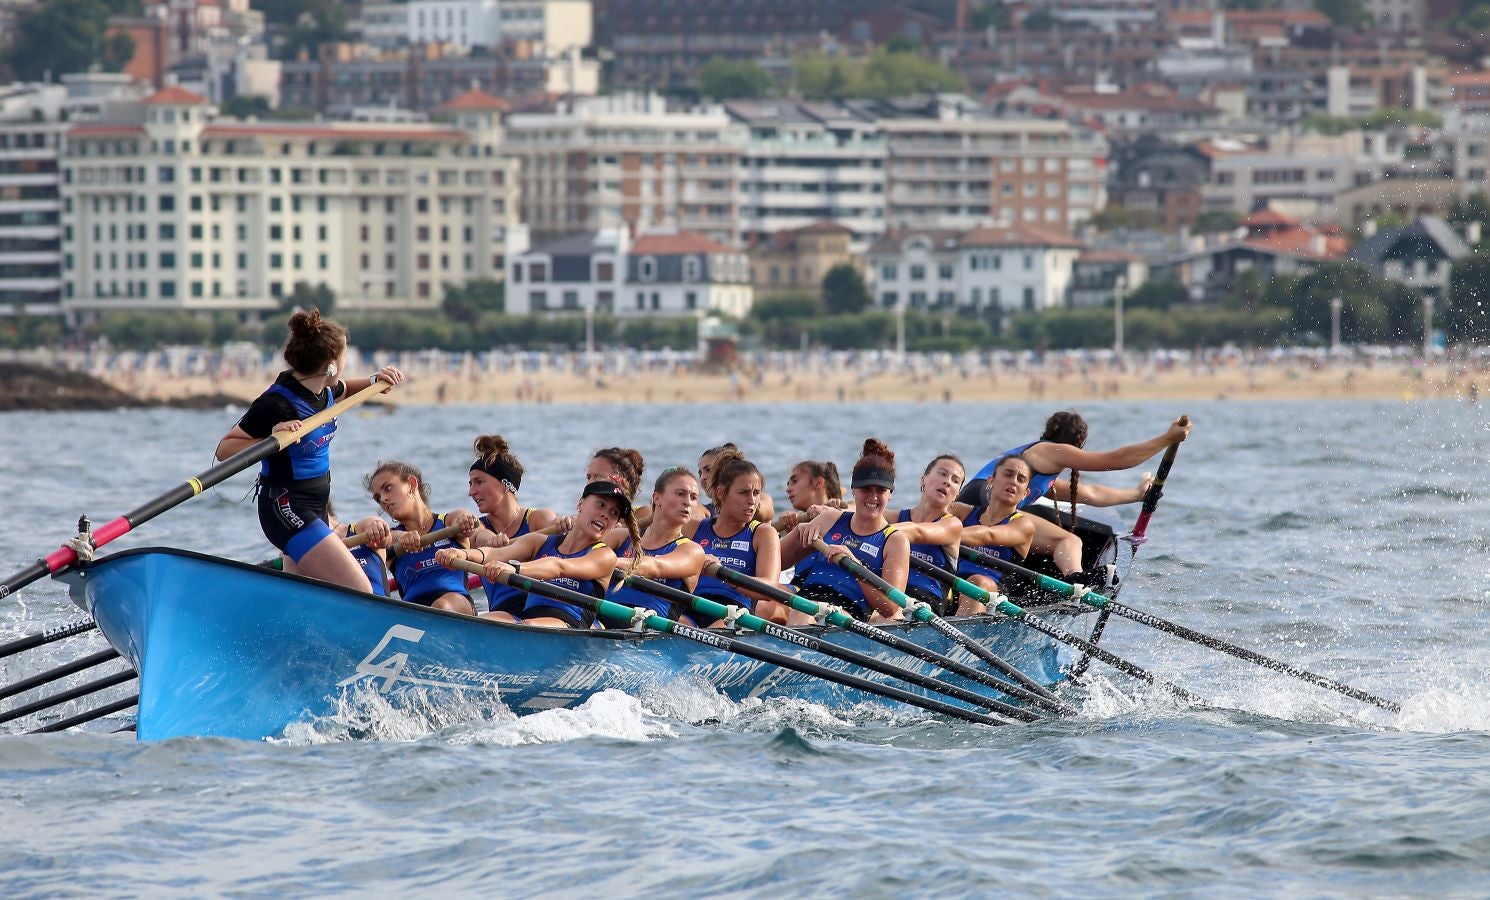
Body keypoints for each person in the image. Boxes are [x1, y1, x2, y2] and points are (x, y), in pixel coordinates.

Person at [215, 308, 403, 592]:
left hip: (316, 507)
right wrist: (270, 435)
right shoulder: (277, 403)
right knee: (360, 590)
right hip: (286, 508)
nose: (344, 365)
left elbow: (343, 389)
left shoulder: (322, 389)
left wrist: (374, 382)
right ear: (329, 364)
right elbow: (225, 449)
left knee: (305, 592)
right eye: (343, 358)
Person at [965, 411, 1191, 580]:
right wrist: (1167, 439)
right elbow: (1118, 460)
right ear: (1078, 445)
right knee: (1068, 540)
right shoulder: (1050, 450)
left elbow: (1089, 493)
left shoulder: (1040, 466)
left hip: (976, 515)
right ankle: (1075, 580)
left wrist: (1136, 494)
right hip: (978, 512)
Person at [437, 479, 631, 629]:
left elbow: (558, 566)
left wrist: (515, 568)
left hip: (569, 625)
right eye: (601, 505)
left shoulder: (605, 556)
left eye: (614, 513)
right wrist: (463, 555)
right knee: (482, 621)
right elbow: (495, 553)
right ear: (581, 504)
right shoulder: (539, 542)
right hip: (528, 617)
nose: (606, 514)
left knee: (527, 627)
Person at [782, 439, 910, 622]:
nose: (873, 497)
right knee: (765, 604)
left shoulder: (895, 541)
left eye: (880, 490)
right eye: (866, 489)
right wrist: (797, 532)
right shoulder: (831, 518)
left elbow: (890, 607)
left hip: (848, 612)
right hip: (806, 600)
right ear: (853, 490)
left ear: (890, 494)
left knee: (803, 615)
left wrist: (854, 564)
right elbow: (776, 561)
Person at [685, 448, 789, 626]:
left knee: (714, 630)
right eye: (743, 493)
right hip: (690, 607)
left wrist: (721, 572)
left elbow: (770, 588)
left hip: (733, 613)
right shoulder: (693, 528)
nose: (752, 501)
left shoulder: (763, 533)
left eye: (756, 493)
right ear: (721, 493)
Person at [462, 434, 558, 617]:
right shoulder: (477, 527)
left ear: (506, 484)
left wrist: (566, 525)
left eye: (479, 482)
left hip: (543, 608)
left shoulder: (539, 519)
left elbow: (563, 540)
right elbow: (480, 537)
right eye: (470, 484)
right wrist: (492, 541)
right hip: (503, 613)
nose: (471, 492)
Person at [365, 460, 479, 613]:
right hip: (414, 611)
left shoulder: (450, 521)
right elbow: (390, 538)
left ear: (412, 484)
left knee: (442, 606)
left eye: (388, 488)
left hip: (457, 604)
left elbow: (462, 519)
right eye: (378, 498)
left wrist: (466, 522)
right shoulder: (387, 536)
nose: (384, 499)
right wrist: (403, 537)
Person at [604, 467, 706, 624]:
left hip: (647, 627)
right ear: (657, 498)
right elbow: (581, 554)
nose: (687, 502)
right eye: (680, 494)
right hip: (602, 618)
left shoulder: (692, 551)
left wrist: (605, 562)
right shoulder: (620, 537)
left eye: (693, 497)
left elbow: (654, 566)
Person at [949, 454, 1036, 616]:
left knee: (978, 582)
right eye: (1008, 474)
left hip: (991, 595)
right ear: (991, 481)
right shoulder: (960, 511)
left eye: (1021, 479)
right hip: (950, 584)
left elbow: (987, 535)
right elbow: (925, 520)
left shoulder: (1023, 525)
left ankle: (956, 639)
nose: (1014, 481)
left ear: (1026, 492)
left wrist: (943, 535)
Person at [884, 455, 966, 616]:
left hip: (925, 602)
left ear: (956, 495)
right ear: (923, 479)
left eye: (955, 481)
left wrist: (873, 533)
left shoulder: (952, 525)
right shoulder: (896, 517)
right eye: (942, 474)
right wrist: (832, 513)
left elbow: (917, 531)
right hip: (889, 593)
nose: (947, 482)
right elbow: (861, 514)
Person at [697, 443, 775, 524]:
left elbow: (765, 512)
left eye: (708, 470)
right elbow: (697, 513)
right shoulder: (704, 510)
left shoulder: (760, 499)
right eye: (700, 473)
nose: (702, 477)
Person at [774, 460, 845, 532]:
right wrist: (787, 531)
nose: (788, 489)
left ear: (818, 483)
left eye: (795, 481)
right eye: (788, 484)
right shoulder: (793, 523)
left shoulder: (846, 513)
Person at [586, 446, 650, 523]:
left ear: (621, 482)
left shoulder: (643, 514)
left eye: (598, 477)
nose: (589, 483)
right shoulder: (586, 515)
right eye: (589, 477)